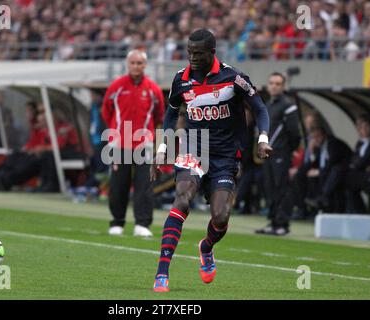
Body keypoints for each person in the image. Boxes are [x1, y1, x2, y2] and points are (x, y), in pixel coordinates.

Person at [151, 29, 271, 292]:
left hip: (226, 155)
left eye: (198, 53)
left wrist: (262, 137)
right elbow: (171, 115)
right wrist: (162, 147)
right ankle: (162, 273)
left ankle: (206, 247)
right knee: (182, 199)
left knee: (221, 215)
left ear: (212, 53)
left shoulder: (234, 78)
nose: (192, 57)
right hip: (194, 149)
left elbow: (260, 108)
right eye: (189, 52)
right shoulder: (180, 80)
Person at [101, 49, 165, 237]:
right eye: (133, 63)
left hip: (144, 144)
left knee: (144, 185)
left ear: (145, 65)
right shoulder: (117, 87)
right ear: (127, 64)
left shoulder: (153, 89)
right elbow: (107, 112)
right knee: (118, 184)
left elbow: (159, 115)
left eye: (140, 63)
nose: (136, 66)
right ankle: (117, 222)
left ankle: (142, 224)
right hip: (119, 143)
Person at [255, 72, 301, 236]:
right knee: (269, 188)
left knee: (282, 188)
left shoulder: (288, 105)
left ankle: (283, 224)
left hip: (281, 153)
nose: (274, 86)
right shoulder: (268, 104)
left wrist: (287, 150)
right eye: (271, 83)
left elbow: (295, 133)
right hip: (269, 155)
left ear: (283, 86)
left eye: (278, 83)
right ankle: (274, 222)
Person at [302, 126, 353, 212]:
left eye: (317, 136)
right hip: (332, 172)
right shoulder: (319, 147)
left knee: (325, 174)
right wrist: (311, 151)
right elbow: (315, 163)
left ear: (324, 135)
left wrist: (318, 172)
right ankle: (313, 205)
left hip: (345, 172)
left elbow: (332, 163)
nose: (315, 140)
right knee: (307, 174)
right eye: (313, 138)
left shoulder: (333, 144)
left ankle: (322, 199)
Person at [345, 115, 370, 213]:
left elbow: (367, 159)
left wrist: (357, 165)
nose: (362, 129)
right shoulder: (361, 143)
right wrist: (355, 165)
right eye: (361, 127)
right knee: (346, 179)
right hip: (364, 174)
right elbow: (354, 158)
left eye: (366, 127)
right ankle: (358, 211)